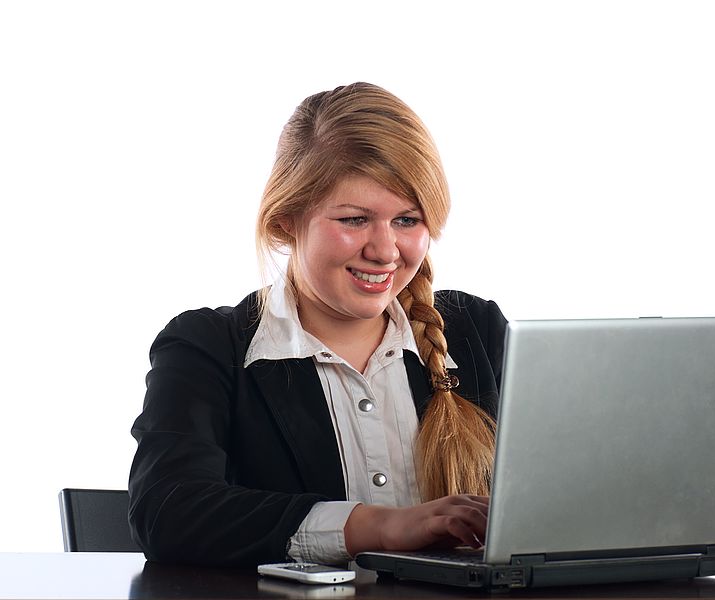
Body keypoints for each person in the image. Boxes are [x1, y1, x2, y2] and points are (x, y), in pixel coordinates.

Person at [128, 82, 507, 567]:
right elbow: (167, 512)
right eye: (354, 219)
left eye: (408, 221)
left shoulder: (478, 332)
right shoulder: (207, 347)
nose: (385, 251)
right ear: (286, 219)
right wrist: (380, 526)